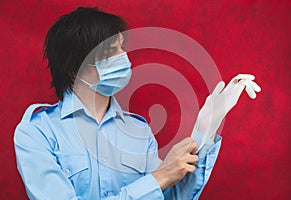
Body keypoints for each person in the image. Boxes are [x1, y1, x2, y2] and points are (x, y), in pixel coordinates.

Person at [14, 7, 260, 200]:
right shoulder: (37, 131)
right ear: (73, 68)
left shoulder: (138, 130)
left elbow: (167, 196)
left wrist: (205, 131)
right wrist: (159, 177)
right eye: (110, 51)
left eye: (123, 48)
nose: (123, 58)